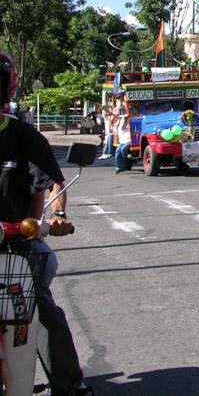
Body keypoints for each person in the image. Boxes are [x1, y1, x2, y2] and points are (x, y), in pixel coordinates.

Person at [0, 52, 94, 396]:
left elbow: (54, 183)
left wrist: (57, 216)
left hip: (15, 246)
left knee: (40, 307)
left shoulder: (25, 137)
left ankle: (69, 384)